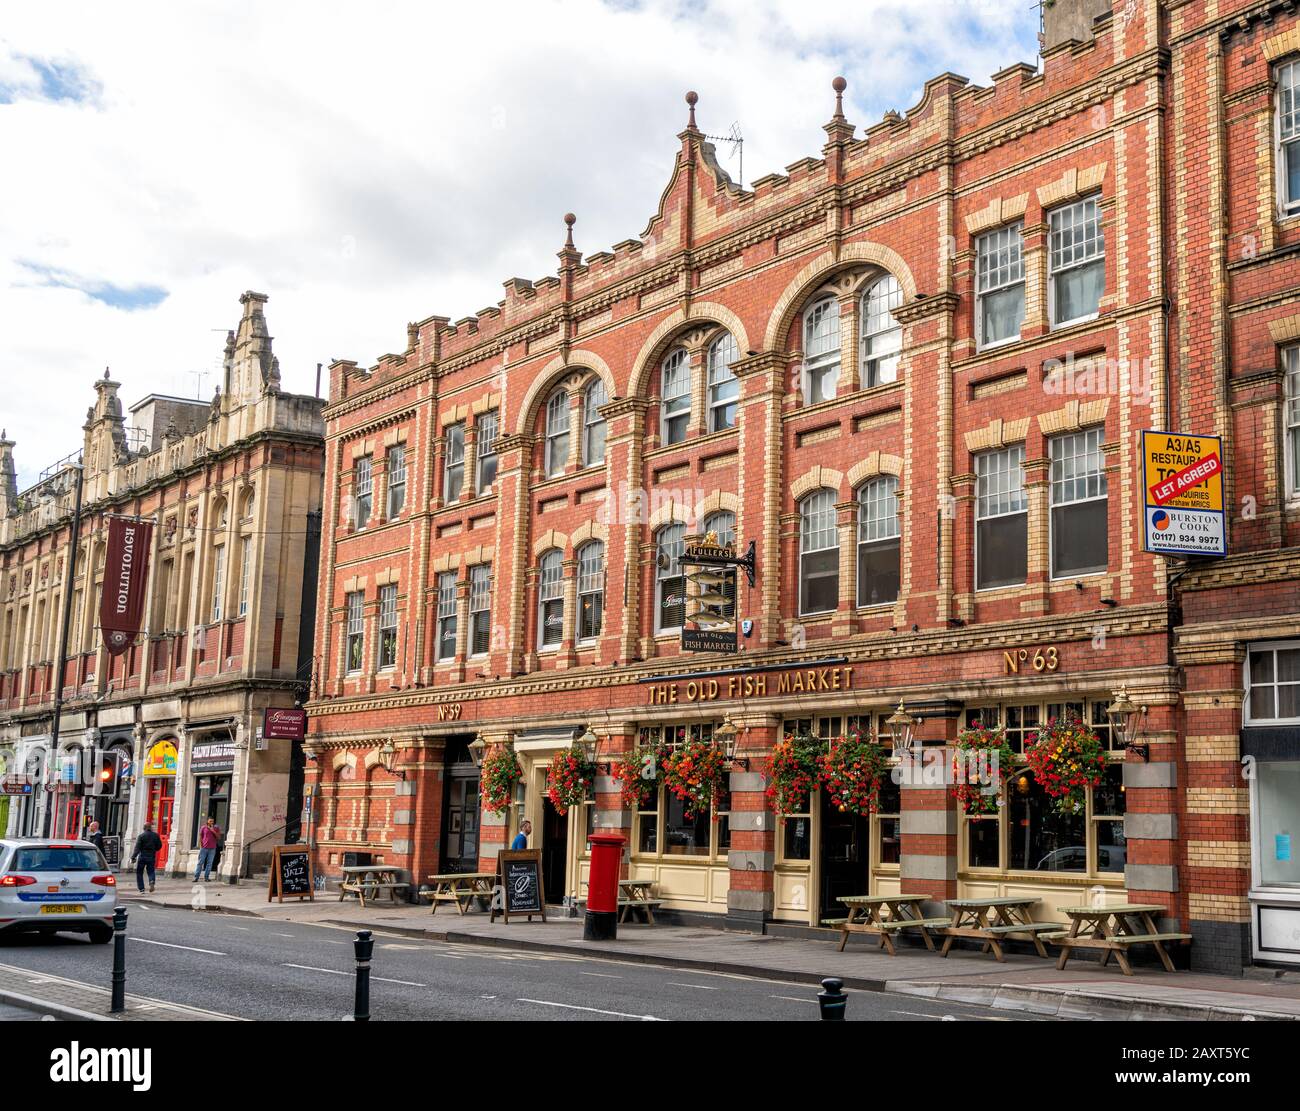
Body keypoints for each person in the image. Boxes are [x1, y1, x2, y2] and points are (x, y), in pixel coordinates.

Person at [130, 822, 163, 893]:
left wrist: (133, 857)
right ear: (150, 828)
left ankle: (141, 889)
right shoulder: (155, 835)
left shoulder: (141, 836)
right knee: (151, 871)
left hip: (142, 856)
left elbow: (137, 848)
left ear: (144, 828)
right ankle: (152, 881)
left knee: (139, 873)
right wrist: (154, 849)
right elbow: (159, 846)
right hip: (151, 856)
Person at [194, 816, 222, 882]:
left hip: (212, 849)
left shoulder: (216, 828)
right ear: (207, 821)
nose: (211, 822)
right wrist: (201, 845)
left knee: (209, 863)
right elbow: (201, 836)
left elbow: (219, 837)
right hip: (204, 848)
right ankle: (196, 877)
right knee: (200, 862)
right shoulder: (203, 827)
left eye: (212, 821)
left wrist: (213, 831)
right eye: (210, 821)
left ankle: (206, 877)